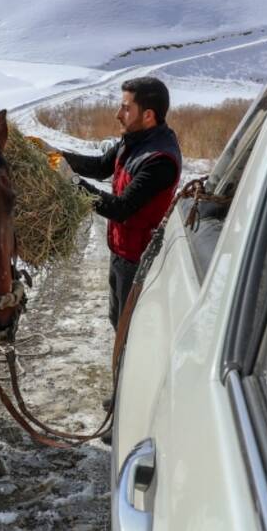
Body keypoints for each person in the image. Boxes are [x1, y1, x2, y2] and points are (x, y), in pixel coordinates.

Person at [60, 77, 182, 342]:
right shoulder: (134, 141)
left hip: (140, 263)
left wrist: (70, 181)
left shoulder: (160, 160)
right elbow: (101, 165)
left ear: (148, 115)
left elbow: (120, 209)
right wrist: (55, 156)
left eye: (126, 108)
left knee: (133, 336)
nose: (118, 114)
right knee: (119, 325)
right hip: (120, 254)